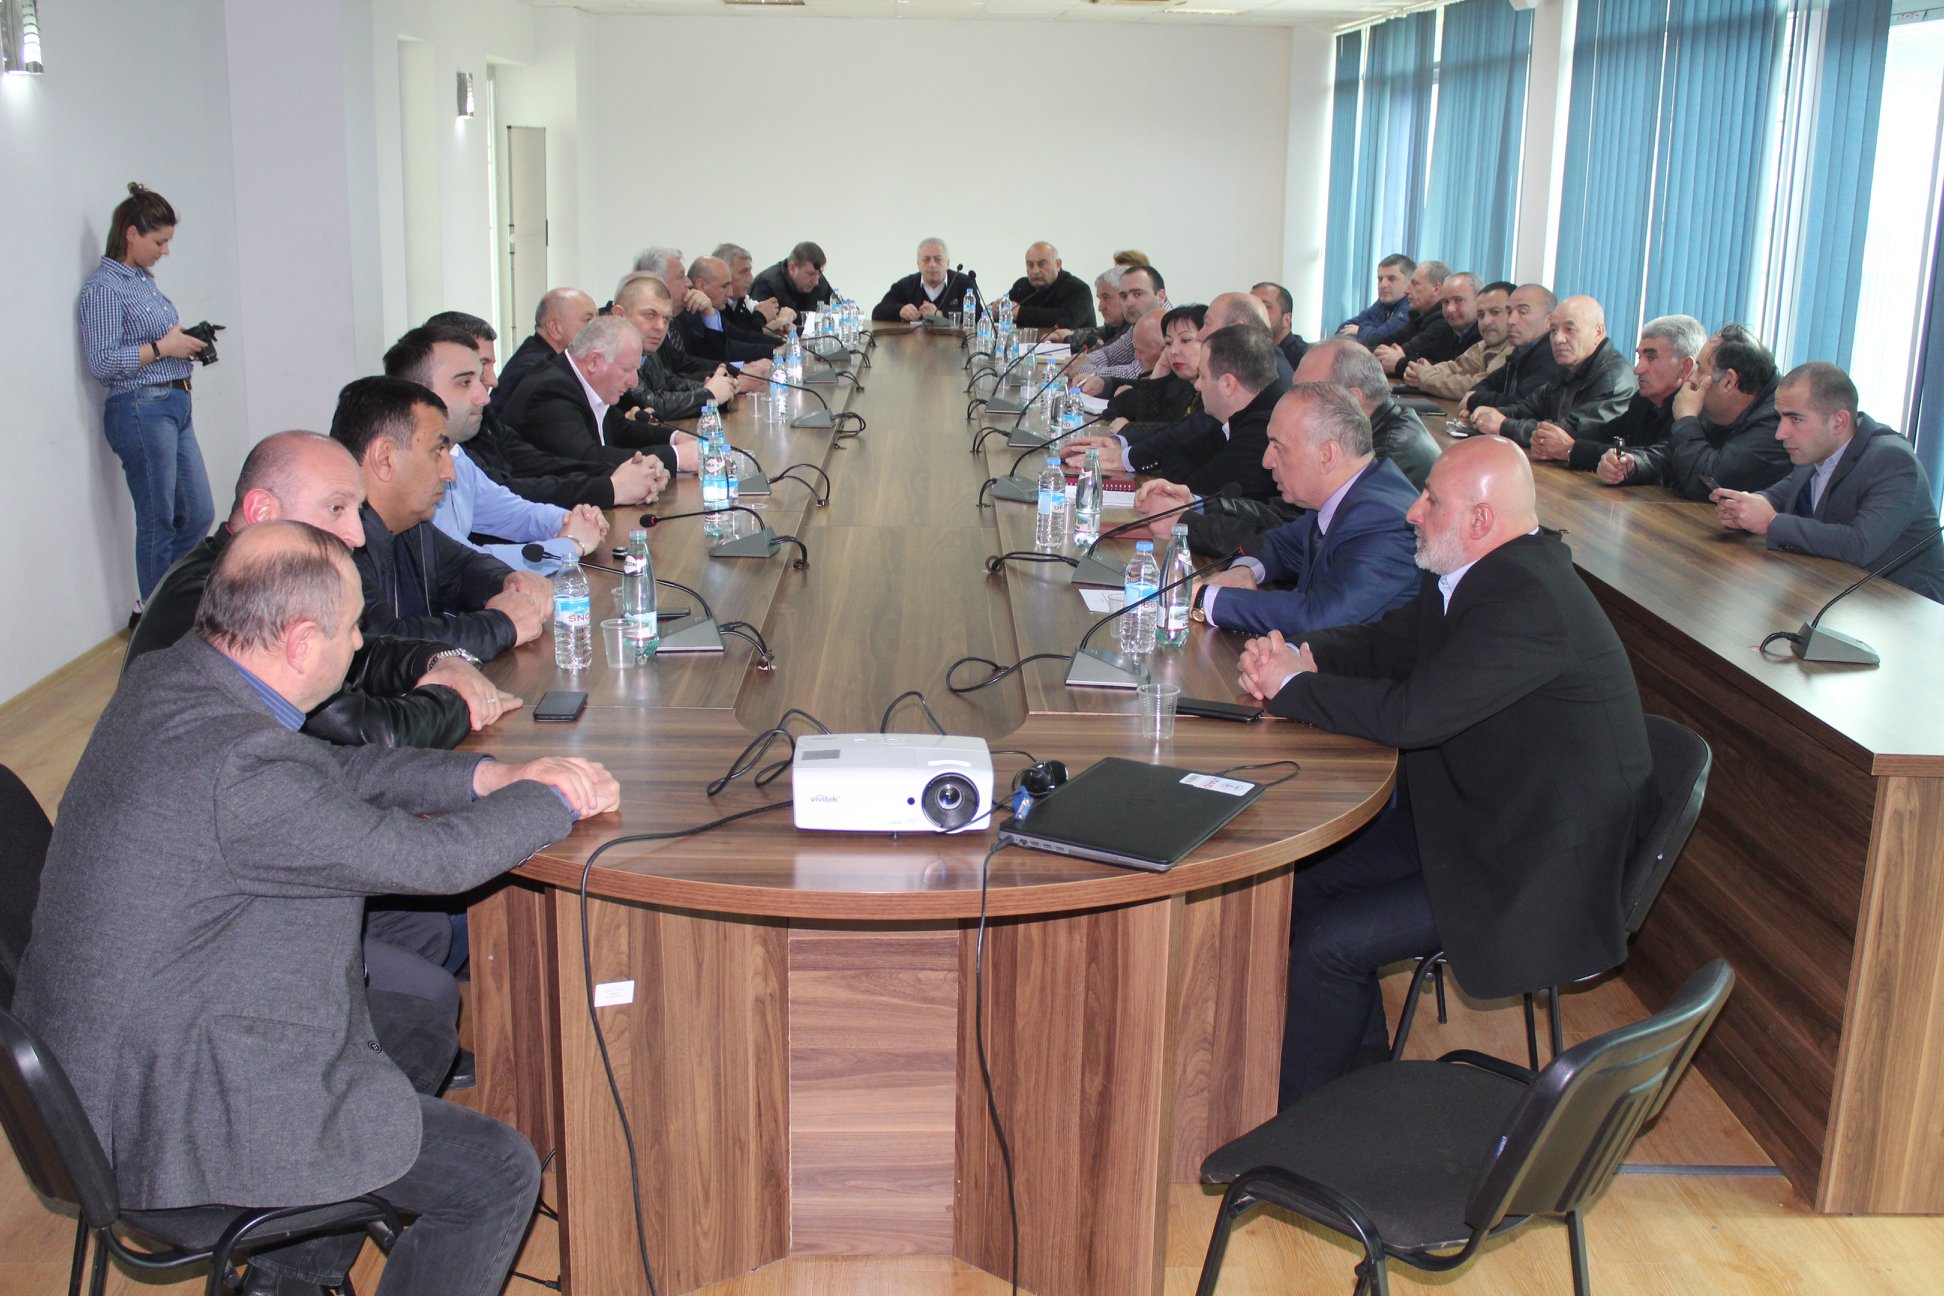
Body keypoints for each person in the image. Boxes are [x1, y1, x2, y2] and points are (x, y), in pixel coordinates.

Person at [13, 519, 619, 1296]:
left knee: (414, 1028)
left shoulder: (176, 679)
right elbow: (435, 862)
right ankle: (288, 1241)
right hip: (168, 1131)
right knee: (496, 1174)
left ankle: (286, 1279)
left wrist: (484, 779)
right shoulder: (242, 771)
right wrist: (552, 799)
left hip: (113, 1074)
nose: (362, 643)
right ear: (302, 641)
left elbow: (322, 769)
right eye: (352, 627)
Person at [1235, 435, 1657, 1104]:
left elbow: (1414, 716)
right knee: (1300, 883)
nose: (1412, 511)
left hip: (1529, 864)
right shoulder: (1480, 573)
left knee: (1325, 944)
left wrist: (1292, 689)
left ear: (1480, 519)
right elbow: (1387, 644)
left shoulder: (1526, 600)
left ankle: (1305, 1118)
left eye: (1431, 501)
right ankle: (1353, 1082)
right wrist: (1299, 654)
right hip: (1473, 816)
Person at [122, 431, 523, 1098]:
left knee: (425, 928)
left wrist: (438, 661)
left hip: (234, 860)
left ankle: (374, 1057)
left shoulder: (255, 581)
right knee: (429, 985)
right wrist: (476, 723)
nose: (358, 535)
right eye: (337, 509)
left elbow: (362, 655)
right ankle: (348, 1102)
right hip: (208, 927)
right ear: (261, 511)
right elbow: (363, 736)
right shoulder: (219, 613)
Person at [331, 376, 549, 662]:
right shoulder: (334, 543)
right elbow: (381, 643)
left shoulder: (412, 526)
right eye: (437, 452)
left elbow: (464, 568)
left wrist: (512, 582)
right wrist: (501, 624)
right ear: (385, 458)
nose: (449, 473)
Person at [1180, 383, 1419, 637]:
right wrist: (1246, 571)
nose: (1266, 461)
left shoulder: (1387, 523)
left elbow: (1317, 618)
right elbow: (1281, 546)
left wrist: (1203, 598)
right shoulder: (1351, 492)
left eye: (1278, 446)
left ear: (1327, 455)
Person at [78, 183, 215, 612]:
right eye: (159, 242)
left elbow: (155, 342)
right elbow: (102, 361)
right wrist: (161, 348)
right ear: (132, 233)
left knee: (198, 513)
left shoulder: (140, 282)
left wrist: (183, 343)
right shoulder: (105, 288)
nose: (165, 251)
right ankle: (158, 617)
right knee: (159, 520)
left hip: (174, 403)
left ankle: (170, 603)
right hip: (142, 408)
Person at [384, 324, 608, 574]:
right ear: (420, 394)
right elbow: (462, 565)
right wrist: (569, 545)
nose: (485, 397)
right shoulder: (406, 471)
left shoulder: (457, 457)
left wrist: (572, 520)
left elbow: (513, 513)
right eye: (465, 382)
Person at [1713, 362, 1944, 602]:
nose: (1780, 433)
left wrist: (1771, 523)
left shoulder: (1892, 460)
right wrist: (1746, 505)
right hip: (1837, 594)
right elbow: (1781, 494)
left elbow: (1860, 545)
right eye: (1780, 417)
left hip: (1900, 608)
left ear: (1839, 421)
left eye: (1795, 419)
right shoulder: (1818, 448)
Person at [424, 311, 666, 511]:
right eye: (472, 375)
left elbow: (537, 463)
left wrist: (621, 474)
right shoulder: (548, 386)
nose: (492, 382)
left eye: (487, 366)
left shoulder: (483, 417)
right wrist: (611, 487)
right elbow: (505, 491)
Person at [501, 309, 695, 474]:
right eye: (627, 369)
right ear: (594, 361)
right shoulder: (550, 391)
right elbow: (587, 460)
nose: (634, 382)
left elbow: (622, 430)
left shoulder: (579, 381)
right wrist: (677, 457)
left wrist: (675, 438)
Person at [1616, 325, 1788, 499]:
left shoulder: (1778, 423)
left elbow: (1707, 483)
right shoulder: (1720, 405)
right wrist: (1633, 464)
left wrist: (1686, 418)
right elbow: (1675, 454)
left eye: (1700, 369)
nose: (1691, 378)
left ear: (1728, 381)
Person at [1471, 294, 1635, 456]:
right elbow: (1530, 407)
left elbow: (1571, 433)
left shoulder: (1614, 377)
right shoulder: (1569, 366)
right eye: (1554, 330)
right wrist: (1494, 414)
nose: (1558, 339)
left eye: (1569, 330)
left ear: (1598, 332)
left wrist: (1503, 425)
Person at [1297, 340, 1441, 490]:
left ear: (1351, 399)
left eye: (1307, 396)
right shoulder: (1386, 423)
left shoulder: (1381, 460)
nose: (1294, 407)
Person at [1584, 314, 1708, 480]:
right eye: (1639, 357)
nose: (1637, 369)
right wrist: (1567, 437)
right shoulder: (1643, 400)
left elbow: (1663, 458)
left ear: (1685, 367)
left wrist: (1573, 450)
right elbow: (1610, 435)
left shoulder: (1698, 411)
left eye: (1651, 358)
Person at [607, 272, 738, 423]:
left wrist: (716, 385)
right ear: (619, 315)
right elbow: (651, 403)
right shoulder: (609, 352)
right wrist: (709, 394)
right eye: (650, 315)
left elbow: (670, 383)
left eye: (666, 319)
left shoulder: (646, 351)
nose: (660, 327)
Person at [1459, 283, 1564, 417]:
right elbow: (1486, 384)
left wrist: (1473, 401)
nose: (1511, 321)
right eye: (1509, 312)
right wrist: (1475, 400)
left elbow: (1523, 405)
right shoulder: (1520, 352)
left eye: (1522, 312)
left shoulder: (1553, 357)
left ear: (1549, 321)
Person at [488, 287, 597, 415]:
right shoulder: (538, 372)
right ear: (555, 328)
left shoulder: (543, 359)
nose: (598, 328)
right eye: (588, 320)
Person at [1403, 281, 1514, 401]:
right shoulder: (1484, 345)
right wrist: (1419, 371)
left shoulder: (1514, 348)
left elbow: (1479, 386)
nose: (1486, 321)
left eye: (1495, 312)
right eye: (1481, 315)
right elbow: (1455, 367)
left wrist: (1424, 377)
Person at [1070, 265, 1168, 381]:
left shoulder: (1167, 326)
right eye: (1123, 296)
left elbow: (1136, 373)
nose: (1128, 303)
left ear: (1161, 296)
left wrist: (1082, 368)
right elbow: (1109, 354)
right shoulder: (1140, 323)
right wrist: (1083, 361)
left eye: (1137, 294)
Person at [1373, 270, 1480, 376]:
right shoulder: (1447, 328)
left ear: (1479, 301)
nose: (1450, 309)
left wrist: (1400, 363)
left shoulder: (1483, 334)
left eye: (1459, 300)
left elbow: (1460, 376)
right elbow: (1426, 362)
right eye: (1445, 302)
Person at [677, 255, 780, 363]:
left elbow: (741, 336)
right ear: (701, 285)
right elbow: (724, 352)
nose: (730, 293)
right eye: (724, 286)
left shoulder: (716, 308)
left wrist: (780, 345)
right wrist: (776, 351)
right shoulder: (686, 316)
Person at [1364, 261, 1453, 362]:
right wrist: (1357, 348)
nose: (1406, 291)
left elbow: (1405, 352)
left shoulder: (1443, 322)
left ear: (1435, 289)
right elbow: (1388, 341)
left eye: (1415, 284)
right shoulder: (1417, 316)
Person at [872, 237, 975, 322]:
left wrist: (939, 314)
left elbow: (978, 312)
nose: (932, 265)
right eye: (926, 260)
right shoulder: (905, 285)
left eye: (938, 259)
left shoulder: (964, 283)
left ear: (947, 263)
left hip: (954, 341)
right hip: (914, 341)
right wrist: (900, 311)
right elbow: (877, 312)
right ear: (918, 264)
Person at [1006, 241, 1096, 331]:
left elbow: (1067, 320)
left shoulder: (1078, 289)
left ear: (1058, 264)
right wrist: (998, 310)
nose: (1035, 271)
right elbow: (1006, 311)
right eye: (1030, 265)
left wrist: (1021, 313)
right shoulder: (1021, 286)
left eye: (1042, 264)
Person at [714, 241, 793, 336]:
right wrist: (763, 318)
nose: (750, 279)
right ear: (725, 274)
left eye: (750, 271)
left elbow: (755, 329)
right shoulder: (715, 304)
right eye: (743, 272)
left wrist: (783, 318)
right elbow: (736, 337)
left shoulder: (742, 300)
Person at [1335, 253, 1414, 342]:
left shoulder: (1412, 307)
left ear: (1409, 283)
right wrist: (1374, 329)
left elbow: (1385, 337)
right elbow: (1343, 329)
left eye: (1391, 279)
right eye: (1380, 279)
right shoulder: (1382, 304)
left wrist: (1360, 330)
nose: (1383, 285)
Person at [750, 240, 839, 316]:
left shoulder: (819, 280)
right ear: (792, 267)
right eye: (810, 274)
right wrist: (815, 314)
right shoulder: (766, 283)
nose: (816, 282)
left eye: (819, 274)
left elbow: (838, 309)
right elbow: (760, 322)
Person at [1252, 281, 1309, 371]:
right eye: (1250, 306)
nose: (1254, 312)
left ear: (1286, 319)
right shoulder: (1248, 351)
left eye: (1265, 306)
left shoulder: (1305, 359)